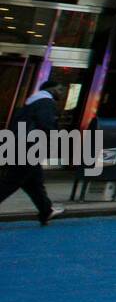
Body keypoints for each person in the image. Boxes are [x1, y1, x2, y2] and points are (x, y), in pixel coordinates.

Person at [0, 81, 67, 225]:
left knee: (34, 183)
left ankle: (46, 211)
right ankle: (46, 210)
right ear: (52, 89)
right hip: (29, 147)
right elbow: (46, 123)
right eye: (60, 89)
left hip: (20, 144)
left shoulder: (31, 103)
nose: (62, 93)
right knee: (11, 182)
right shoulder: (46, 103)